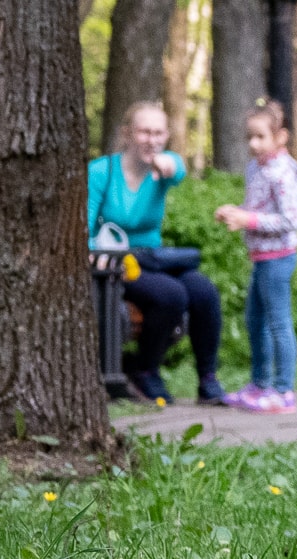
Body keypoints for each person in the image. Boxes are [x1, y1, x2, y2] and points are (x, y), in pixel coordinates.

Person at [88, 102, 226, 405]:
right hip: (117, 262)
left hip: (154, 257)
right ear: (127, 134)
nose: (151, 139)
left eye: (158, 133)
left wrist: (170, 164)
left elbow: (177, 170)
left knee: (204, 292)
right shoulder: (101, 172)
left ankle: (208, 379)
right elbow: (84, 226)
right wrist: (93, 253)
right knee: (172, 294)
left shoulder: (162, 169)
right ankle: (145, 371)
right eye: (144, 132)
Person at [216, 100, 297, 415]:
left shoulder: (283, 173)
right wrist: (236, 214)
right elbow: (257, 207)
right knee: (255, 321)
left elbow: (290, 220)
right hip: (261, 256)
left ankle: (284, 392)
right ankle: (259, 384)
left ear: (280, 137)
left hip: (279, 258)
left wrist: (248, 220)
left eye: (261, 137)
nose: (253, 144)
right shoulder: (256, 167)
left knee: (279, 322)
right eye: (250, 137)